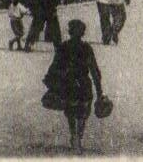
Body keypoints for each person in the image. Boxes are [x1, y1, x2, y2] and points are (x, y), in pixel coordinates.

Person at [41, 19, 103, 154]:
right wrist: (99, 91)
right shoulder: (86, 48)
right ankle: (78, 137)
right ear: (82, 33)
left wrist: (51, 83)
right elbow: (94, 70)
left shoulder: (64, 47)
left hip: (69, 84)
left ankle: (74, 136)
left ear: (70, 32)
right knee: (82, 113)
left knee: (71, 111)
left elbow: (54, 67)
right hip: (83, 85)